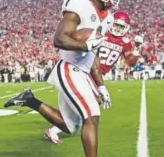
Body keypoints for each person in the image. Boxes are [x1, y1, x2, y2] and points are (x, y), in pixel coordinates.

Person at [4, 0, 119, 157]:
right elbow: (59, 38)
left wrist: (101, 85)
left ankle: (30, 100)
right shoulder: (81, 5)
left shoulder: (108, 18)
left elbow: (92, 54)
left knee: (70, 127)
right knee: (92, 115)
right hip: (69, 68)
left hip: (81, 72)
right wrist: (86, 45)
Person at [46, 11, 141, 143]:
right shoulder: (101, 33)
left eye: (121, 27)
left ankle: (54, 128)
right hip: (86, 71)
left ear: (126, 28)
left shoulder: (125, 42)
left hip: (98, 75)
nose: (118, 29)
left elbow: (130, 63)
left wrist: (136, 49)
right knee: (92, 103)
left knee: (77, 113)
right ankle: (56, 127)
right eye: (116, 25)